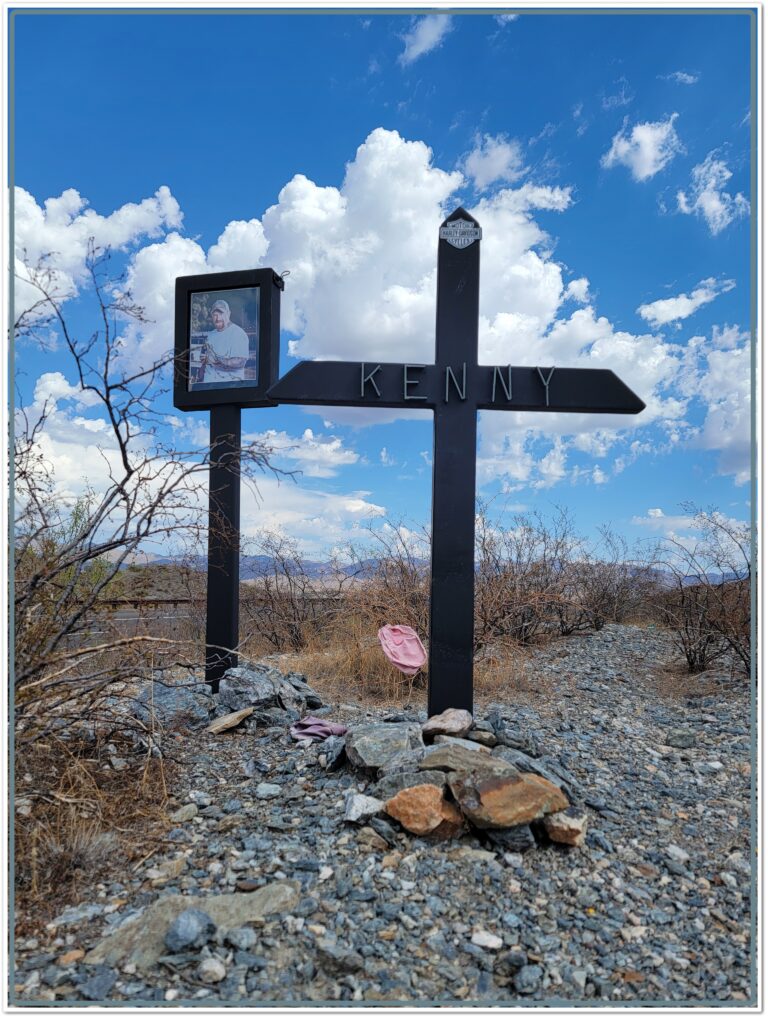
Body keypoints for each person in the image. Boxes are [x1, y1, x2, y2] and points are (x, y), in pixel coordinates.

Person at [199, 299, 250, 385]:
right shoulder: (211, 335)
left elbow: (241, 362)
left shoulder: (238, 333)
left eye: (221, 314)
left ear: (228, 313)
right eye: (215, 315)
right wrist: (201, 371)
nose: (217, 318)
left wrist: (214, 360)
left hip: (229, 389)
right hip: (208, 387)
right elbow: (205, 359)